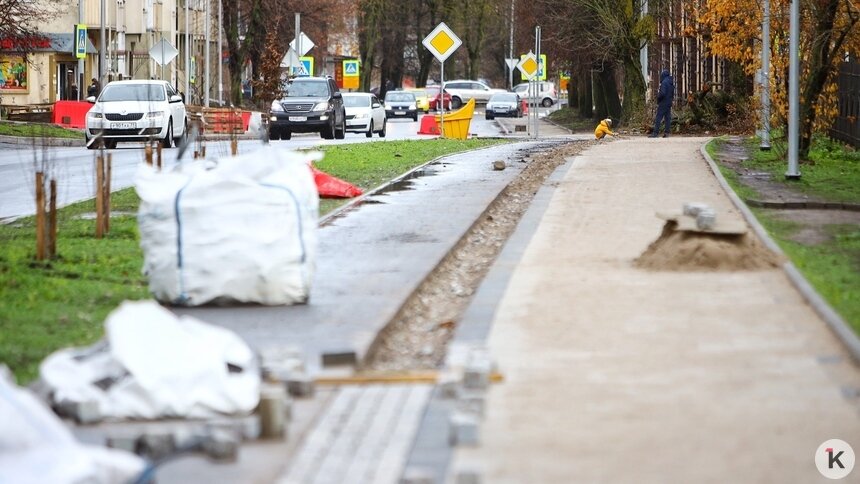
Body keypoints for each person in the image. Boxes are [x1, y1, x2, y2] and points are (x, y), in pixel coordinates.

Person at [650, 69, 674, 138]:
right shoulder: (671, 82)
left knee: (658, 117)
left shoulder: (664, 82)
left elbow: (662, 93)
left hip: (663, 102)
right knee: (667, 118)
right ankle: (667, 133)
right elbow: (672, 94)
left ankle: (655, 133)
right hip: (669, 102)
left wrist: (658, 98)